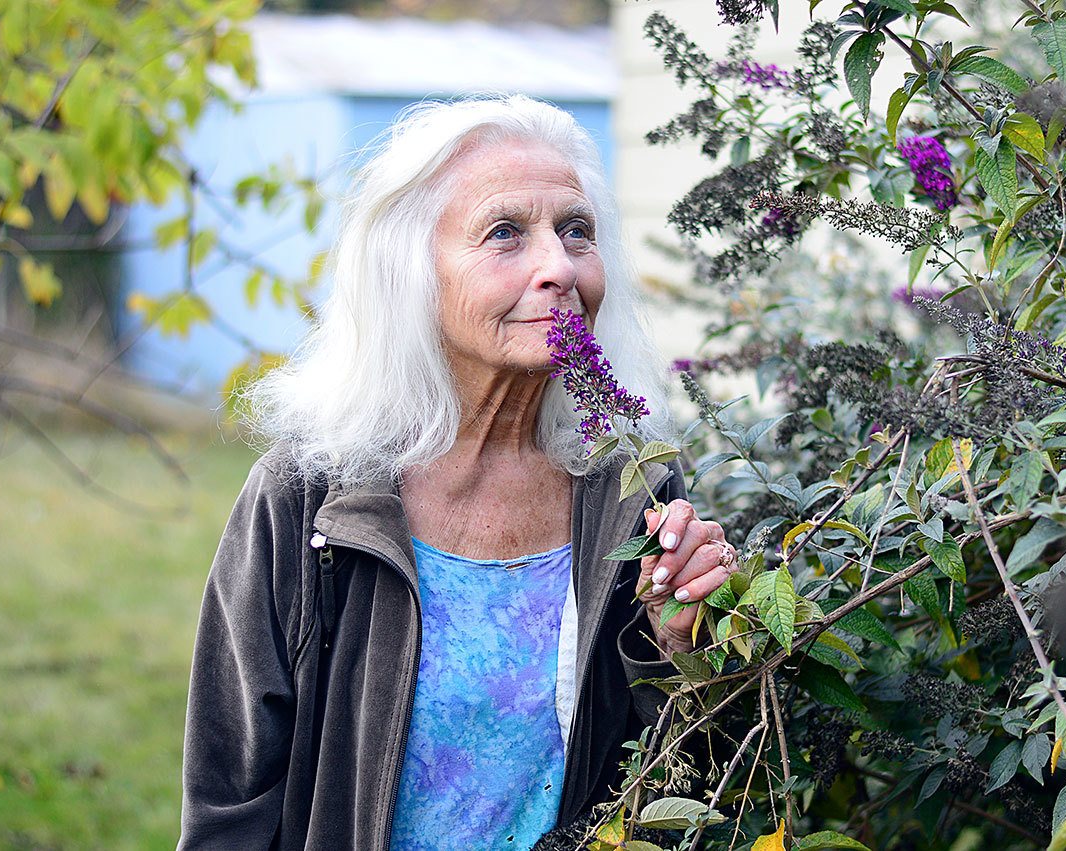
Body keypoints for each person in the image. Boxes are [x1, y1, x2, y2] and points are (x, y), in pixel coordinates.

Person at [177, 95, 738, 851]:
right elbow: (229, 802)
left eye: (577, 231)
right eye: (505, 233)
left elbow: (698, 786)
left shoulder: (635, 491)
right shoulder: (311, 495)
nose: (559, 266)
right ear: (412, 276)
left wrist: (690, 653)